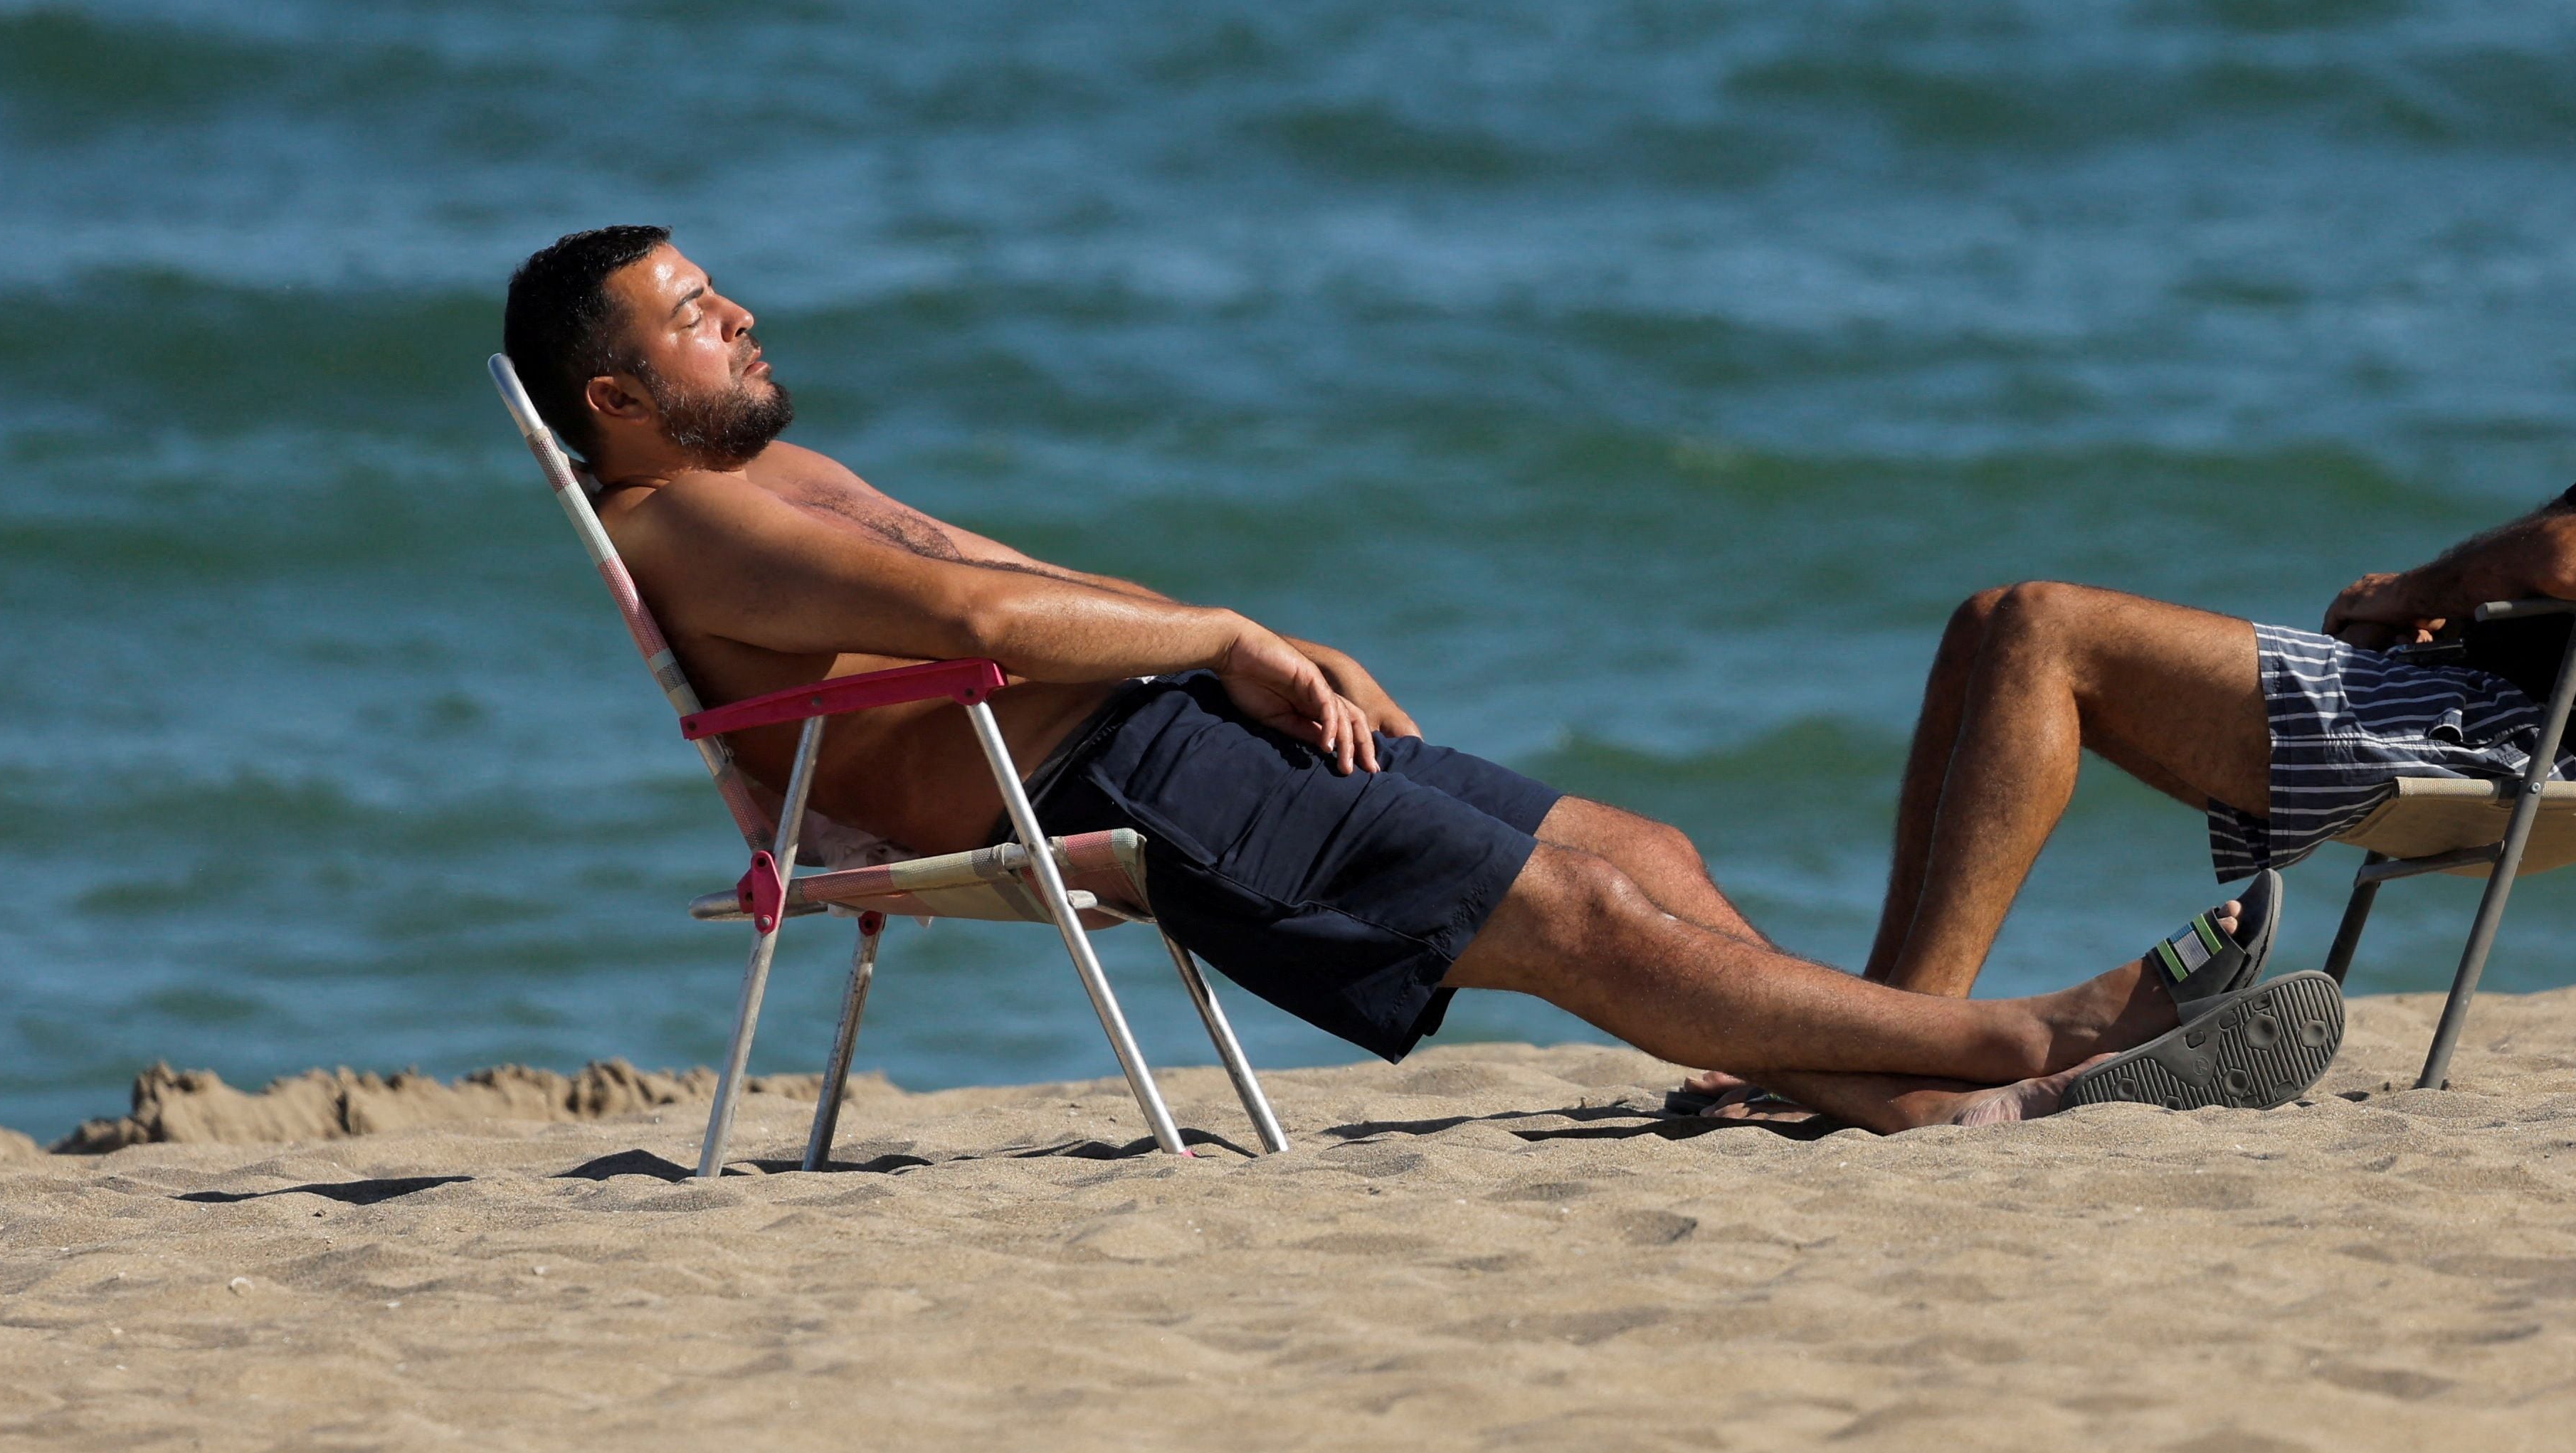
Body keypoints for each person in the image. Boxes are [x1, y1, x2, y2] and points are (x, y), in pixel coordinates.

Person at [500, 227, 2344, 1136]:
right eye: (696, 315)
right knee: (1577, 918)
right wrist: (1221, 635)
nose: (739, 314)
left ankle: (1888, 1089)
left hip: (1160, 723)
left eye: (720, 293)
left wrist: (1257, 646)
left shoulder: (760, 473)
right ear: (615, 396)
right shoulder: (688, 523)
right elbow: (956, 610)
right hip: (1094, 785)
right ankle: (2035, 1040)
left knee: (1642, 850)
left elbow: (1020, 588)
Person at [1852, 90, 2576, 1000]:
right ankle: (1869, 1019)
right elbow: (2573, 568)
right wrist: (2448, 612)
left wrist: (2420, 588)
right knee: (1985, 624)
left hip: (2517, 739)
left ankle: (1911, 1038)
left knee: (2041, 627)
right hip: (2475, 696)